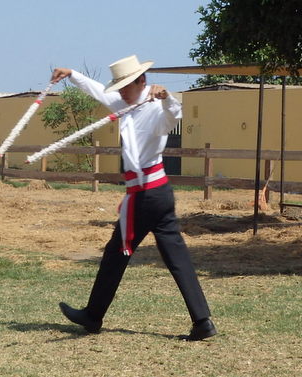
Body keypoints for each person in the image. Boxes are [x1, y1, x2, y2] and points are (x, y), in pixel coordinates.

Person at [50, 55, 216, 341]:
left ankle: (93, 315)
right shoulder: (124, 104)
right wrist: (72, 74)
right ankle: (202, 321)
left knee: (117, 254)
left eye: (127, 85)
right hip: (156, 194)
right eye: (120, 86)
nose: (122, 91)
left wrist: (166, 96)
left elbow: (174, 114)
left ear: (142, 81)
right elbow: (98, 91)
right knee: (174, 257)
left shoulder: (155, 111)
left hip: (147, 196)